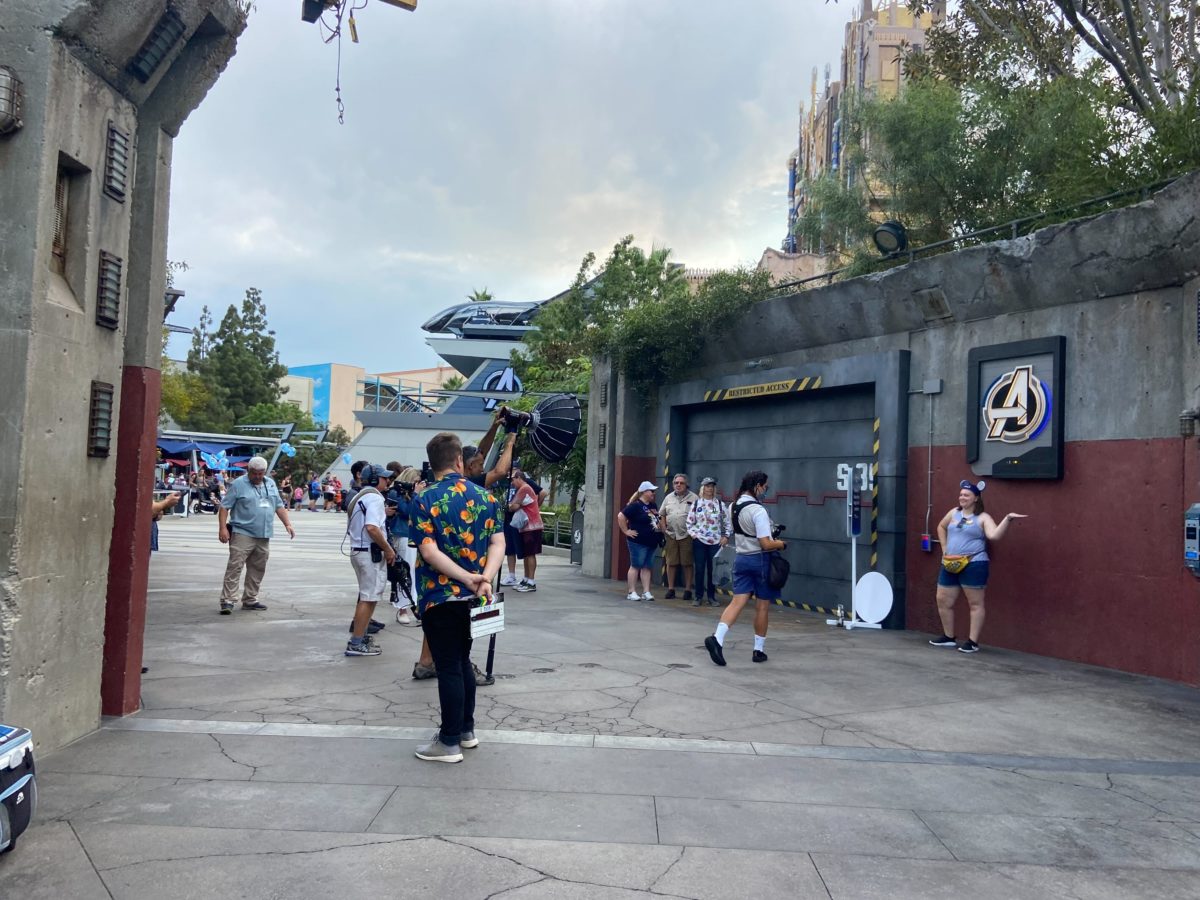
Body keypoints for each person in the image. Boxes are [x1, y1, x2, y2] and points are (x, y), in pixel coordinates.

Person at [409, 431, 504, 763]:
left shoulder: (424, 499)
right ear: (459, 460)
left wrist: (464, 578)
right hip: (477, 598)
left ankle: (448, 741)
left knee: (449, 665)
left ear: (432, 462)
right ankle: (466, 730)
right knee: (462, 660)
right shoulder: (486, 497)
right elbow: (498, 542)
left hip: (440, 596)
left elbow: (428, 551)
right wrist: (484, 578)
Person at [928, 479, 1027, 654]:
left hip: (974, 563)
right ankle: (949, 637)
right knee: (942, 600)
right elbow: (941, 527)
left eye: (966, 495)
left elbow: (994, 536)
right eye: (961, 494)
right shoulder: (953, 513)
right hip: (949, 563)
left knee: (975, 603)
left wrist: (1008, 519)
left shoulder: (983, 517)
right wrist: (944, 548)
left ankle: (972, 642)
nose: (962, 497)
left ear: (976, 498)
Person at [704, 470, 785, 666]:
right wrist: (781, 544)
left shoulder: (733, 506)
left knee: (737, 602)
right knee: (762, 606)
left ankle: (717, 638)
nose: (765, 490)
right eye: (765, 487)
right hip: (760, 560)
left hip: (741, 559)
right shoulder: (758, 510)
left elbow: (735, 531)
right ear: (757, 486)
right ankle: (758, 650)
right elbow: (766, 543)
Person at [217, 456, 294, 615]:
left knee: (258, 568)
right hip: (242, 532)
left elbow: (279, 506)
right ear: (249, 470)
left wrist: (288, 524)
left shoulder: (270, 483)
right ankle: (228, 600)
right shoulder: (238, 484)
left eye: (261, 473)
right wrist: (223, 528)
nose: (258, 476)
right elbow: (224, 507)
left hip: (263, 534)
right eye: (255, 473)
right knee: (235, 566)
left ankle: (250, 599)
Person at [345, 464, 396, 657]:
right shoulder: (374, 498)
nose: (387, 481)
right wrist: (388, 549)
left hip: (359, 551)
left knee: (367, 596)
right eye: (384, 478)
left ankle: (360, 637)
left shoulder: (360, 496)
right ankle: (357, 642)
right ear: (375, 480)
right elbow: (372, 527)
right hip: (369, 553)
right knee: (368, 598)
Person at [501, 465, 548, 587]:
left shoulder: (525, 488)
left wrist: (534, 506)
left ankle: (530, 581)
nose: (512, 482)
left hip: (531, 525)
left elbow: (513, 506)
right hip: (524, 525)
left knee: (530, 553)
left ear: (519, 477)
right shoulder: (522, 488)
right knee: (525, 552)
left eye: (513, 479)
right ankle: (526, 579)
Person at [686, 476, 728, 607]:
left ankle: (711, 597)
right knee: (699, 569)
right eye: (707, 486)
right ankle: (698, 596)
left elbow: (727, 522)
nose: (710, 489)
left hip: (715, 542)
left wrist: (726, 536)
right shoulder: (696, 504)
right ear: (703, 488)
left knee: (713, 570)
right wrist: (694, 535)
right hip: (699, 541)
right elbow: (689, 522)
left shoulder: (719, 505)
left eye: (712, 486)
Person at [617, 481, 661, 602]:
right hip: (638, 542)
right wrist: (626, 531)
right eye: (651, 491)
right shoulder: (635, 506)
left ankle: (646, 591)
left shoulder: (653, 505)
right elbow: (621, 516)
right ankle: (631, 591)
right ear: (644, 492)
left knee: (647, 566)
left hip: (651, 541)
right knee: (636, 565)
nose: (653, 493)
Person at [659, 473, 698, 601]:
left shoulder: (694, 498)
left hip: (687, 535)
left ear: (686, 484)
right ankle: (671, 589)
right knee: (671, 563)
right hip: (671, 535)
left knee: (687, 563)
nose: (678, 485)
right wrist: (663, 527)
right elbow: (662, 513)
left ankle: (688, 590)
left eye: (681, 483)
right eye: (676, 483)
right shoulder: (668, 498)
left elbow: (700, 516)